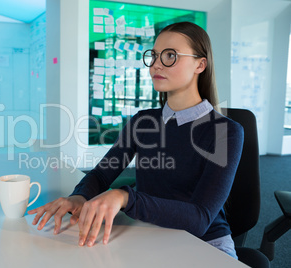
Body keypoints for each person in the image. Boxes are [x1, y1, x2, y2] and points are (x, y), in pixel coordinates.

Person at [28, 21, 243, 259]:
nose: (156, 65)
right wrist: (80, 196)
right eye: (154, 55)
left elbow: (199, 218)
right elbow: (101, 174)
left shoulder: (225, 132)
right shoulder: (143, 122)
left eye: (170, 55)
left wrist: (125, 197)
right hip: (150, 235)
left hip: (205, 245)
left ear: (200, 64)